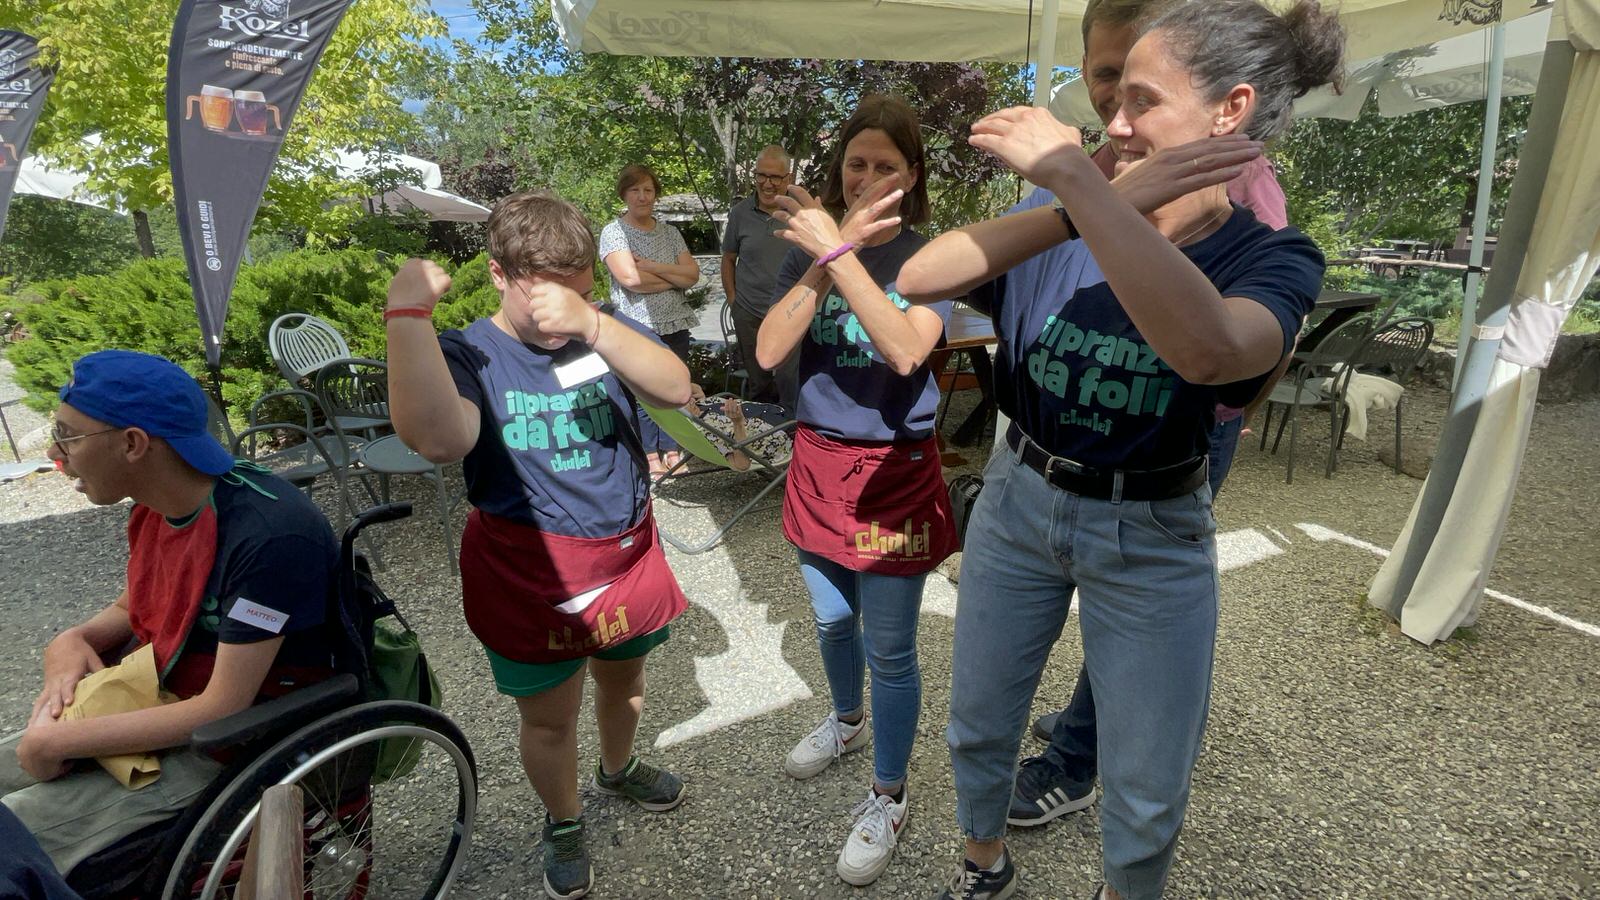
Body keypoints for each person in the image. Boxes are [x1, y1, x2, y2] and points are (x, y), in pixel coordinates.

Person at [896, 1, 1343, 896]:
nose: (1116, 122)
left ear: (1232, 108)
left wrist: (1082, 184)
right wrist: (1075, 200)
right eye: (1111, 94)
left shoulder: (1274, 256)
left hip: (1151, 529)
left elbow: (1214, 351)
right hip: (1021, 499)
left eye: (1141, 98)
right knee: (978, 726)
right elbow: (919, 276)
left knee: (1145, 790)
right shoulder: (1070, 207)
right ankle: (984, 864)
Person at [1013, 0, 1298, 833]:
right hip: (1082, 435)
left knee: (1136, 598)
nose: (1113, 111)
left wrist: (1224, 411)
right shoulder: (1113, 163)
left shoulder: (1239, 185)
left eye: (1128, 86)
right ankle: (1079, 728)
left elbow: (1241, 357)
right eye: (1102, 80)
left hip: (1179, 427)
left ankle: (1078, 761)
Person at [384, 191, 693, 900]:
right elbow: (439, 440)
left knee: (628, 685)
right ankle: (563, 818)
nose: (559, 315)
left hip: (623, 554)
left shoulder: (598, 328)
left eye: (578, 292)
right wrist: (407, 318)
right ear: (498, 274)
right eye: (543, 297)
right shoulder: (470, 352)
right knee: (549, 719)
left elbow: (676, 388)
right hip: (529, 571)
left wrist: (594, 321)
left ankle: (617, 768)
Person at [1, 350, 341, 878]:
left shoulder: (270, 536)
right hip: (165, 700)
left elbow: (223, 708)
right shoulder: (161, 505)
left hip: (239, 739)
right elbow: (135, 604)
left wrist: (58, 740)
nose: (54, 453)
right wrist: (72, 639)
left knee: (10, 839)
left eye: (68, 436)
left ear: (133, 443)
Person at [756, 94, 959, 887]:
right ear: (839, 173)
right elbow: (774, 345)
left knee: (891, 648)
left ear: (911, 178)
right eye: (856, 165)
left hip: (891, 476)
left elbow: (909, 352)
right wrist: (822, 255)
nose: (869, 179)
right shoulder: (806, 248)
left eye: (886, 167)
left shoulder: (930, 258)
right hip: (816, 461)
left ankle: (889, 795)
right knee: (831, 620)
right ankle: (845, 721)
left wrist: (843, 259)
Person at [598, 164, 701, 475]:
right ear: (624, 194)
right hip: (636, 326)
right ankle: (649, 453)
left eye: (648, 190)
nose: (642, 196)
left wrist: (653, 266)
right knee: (643, 393)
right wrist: (674, 277)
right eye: (635, 190)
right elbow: (630, 278)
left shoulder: (670, 232)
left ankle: (672, 448)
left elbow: (693, 275)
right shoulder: (614, 231)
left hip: (675, 324)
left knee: (676, 388)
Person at [722, 145, 801, 410]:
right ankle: (760, 443)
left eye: (775, 177)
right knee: (760, 385)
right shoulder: (739, 213)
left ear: (788, 179)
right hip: (750, 314)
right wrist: (734, 302)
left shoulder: (801, 214)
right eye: (761, 176)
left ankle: (792, 441)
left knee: (792, 382)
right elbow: (728, 259)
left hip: (791, 314)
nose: (767, 183)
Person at [681, 384, 792, 471]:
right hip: (786, 432)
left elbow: (695, 388)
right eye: (684, 400)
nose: (691, 399)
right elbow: (741, 464)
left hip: (777, 411)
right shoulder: (706, 431)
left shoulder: (699, 405)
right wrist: (738, 423)